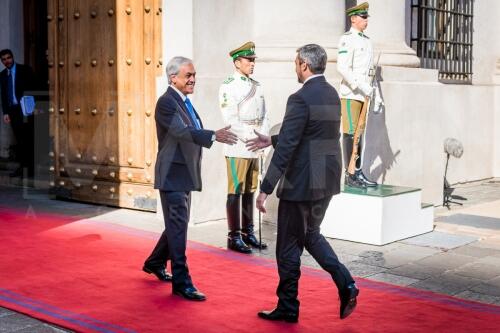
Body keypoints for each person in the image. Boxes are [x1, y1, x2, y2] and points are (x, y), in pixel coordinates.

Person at [247, 44, 359, 322]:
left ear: (304, 65)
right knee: (311, 235)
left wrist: (264, 188)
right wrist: (271, 139)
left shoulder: (299, 98)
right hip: (325, 180)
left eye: (296, 63)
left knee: (287, 246)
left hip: (302, 184)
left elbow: (289, 147)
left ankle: (287, 307)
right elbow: (312, 132)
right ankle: (346, 283)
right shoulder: (331, 93)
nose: (295, 68)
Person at [142, 56, 237, 301]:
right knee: (178, 227)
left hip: (184, 173)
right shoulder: (166, 102)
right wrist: (213, 135)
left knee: (177, 225)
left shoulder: (183, 101)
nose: (193, 79)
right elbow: (181, 132)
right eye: (188, 76)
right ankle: (182, 283)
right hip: (172, 174)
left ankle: (154, 262)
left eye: (194, 75)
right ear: (173, 78)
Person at [219, 41, 269, 253]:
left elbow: (265, 115)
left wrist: (263, 137)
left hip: (254, 144)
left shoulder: (257, 85)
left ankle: (249, 233)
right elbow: (229, 117)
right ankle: (234, 236)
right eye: (249, 60)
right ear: (237, 62)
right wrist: (251, 137)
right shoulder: (228, 86)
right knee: (236, 190)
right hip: (239, 145)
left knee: (250, 189)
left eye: (253, 60)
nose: (252, 64)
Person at [337, 2, 378, 188]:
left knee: (360, 134)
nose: (366, 20)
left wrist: (376, 95)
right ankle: (350, 174)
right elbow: (343, 68)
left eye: (366, 17)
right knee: (350, 133)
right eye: (363, 17)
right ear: (353, 19)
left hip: (365, 94)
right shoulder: (347, 39)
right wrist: (361, 86)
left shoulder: (367, 41)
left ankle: (358, 171)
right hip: (351, 93)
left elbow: (370, 71)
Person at [0, 49, 36, 178]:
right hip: (13, 111)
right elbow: (3, 95)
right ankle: (22, 168)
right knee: (20, 140)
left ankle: (31, 169)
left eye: (8, 58)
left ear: (12, 57)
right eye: (3, 59)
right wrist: (5, 113)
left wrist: (31, 108)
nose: (7, 61)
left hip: (25, 108)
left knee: (28, 139)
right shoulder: (2, 75)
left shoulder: (24, 70)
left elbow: (34, 87)